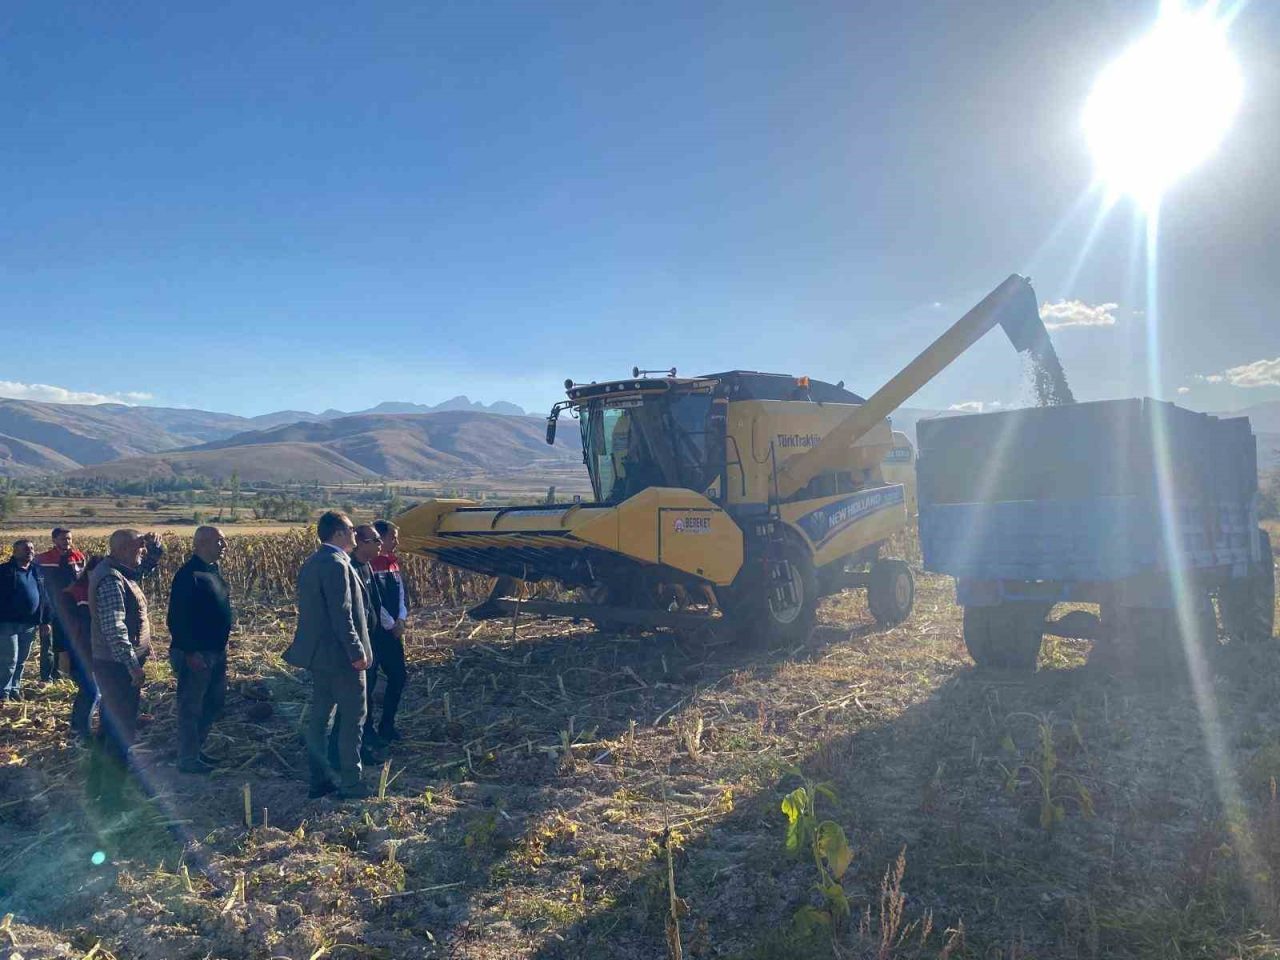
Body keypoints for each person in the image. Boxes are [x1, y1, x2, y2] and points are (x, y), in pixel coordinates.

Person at [284, 512, 373, 800]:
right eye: (350, 529)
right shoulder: (336, 564)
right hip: (341, 659)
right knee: (352, 718)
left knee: (320, 718)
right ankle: (351, 782)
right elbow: (342, 614)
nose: (355, 535)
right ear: (337, 534)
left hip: (320, 658)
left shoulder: (313, 562)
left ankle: (319, 779)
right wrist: (357, 651)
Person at [87, 529, 164, 808]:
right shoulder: (110, 580)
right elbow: (114, 629)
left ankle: (96, 786)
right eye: (138, 549)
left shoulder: (120, 571)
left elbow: (144, 570)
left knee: (108, 726)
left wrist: (155, 549)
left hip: (114, 664)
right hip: (117, 666)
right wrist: (133, 666)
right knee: (121, 731)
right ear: (120, 550)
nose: (141, 554)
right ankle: (112, 800)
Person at [166, 526, 233, 775]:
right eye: (220, 541)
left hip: (215, 651)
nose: (224, 546)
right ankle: (187, 758)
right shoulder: (188, 575)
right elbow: (177, 618)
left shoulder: (212, 571)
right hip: (195, 653)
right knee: (191, 706)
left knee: (213, 703)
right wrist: (190, 652)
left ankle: (196, 750)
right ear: (202, 543)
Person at [367, 519, 408, 742]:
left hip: (394, 630)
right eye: (393, 537)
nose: (396, 541)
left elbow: (400, 594)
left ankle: (387, 725)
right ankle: (368, 729)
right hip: (376, 633)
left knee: (399, 676)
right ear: (380, 539)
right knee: (369, 683)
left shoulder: (392, 563)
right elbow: (375, 601)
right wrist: (391, 624)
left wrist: (402, 618)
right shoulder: (370, 565)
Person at [0, 539, 52, 702]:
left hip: (30, 624)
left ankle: (15, 689)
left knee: (21, 660)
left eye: (31, 548)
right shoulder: (4, 571)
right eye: (25, 549)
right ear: (14, 552)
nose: (29, 551)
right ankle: (3, 693)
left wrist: (46, 620)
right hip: (7, 623)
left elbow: (45, 597)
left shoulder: (37, 572)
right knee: (10, 659)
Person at [35, 527, 86, 682]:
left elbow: (83, 580)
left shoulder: (78, 556)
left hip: (72, 607)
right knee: (49, 644)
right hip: (50, 607)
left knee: (70, 641)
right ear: (54, 540)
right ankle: (47, 677)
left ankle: (67, 673)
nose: (67, 542)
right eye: (63, 539)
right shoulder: (43, 559)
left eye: (69, 539)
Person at [63, 556, 103, 741]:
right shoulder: (74, 593)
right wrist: (64, 654)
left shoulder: (101, 592)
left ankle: (77, 728)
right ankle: (81, 732)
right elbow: (65, 628)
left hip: (96, 650)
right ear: (89, 571)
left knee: (90, 691)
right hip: (80, 652)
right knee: (91, 691)